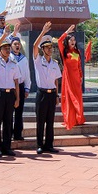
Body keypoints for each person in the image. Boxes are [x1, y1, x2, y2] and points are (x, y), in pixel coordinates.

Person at [0, 23, 20, 158]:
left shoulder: (13, 64)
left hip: (10, 95)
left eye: (9, 48)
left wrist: (17, 98)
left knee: (8, 121)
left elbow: (16, 82)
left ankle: (7, 147)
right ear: (0, 50)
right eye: (5, 48)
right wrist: (4, 36)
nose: (7, 50)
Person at [33, 21, 62, 153]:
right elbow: (34, 46)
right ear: (43, 49)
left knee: (50, 121)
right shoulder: (38, 60)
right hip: (42, 94)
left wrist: (57, 95)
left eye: (51, 47)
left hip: (51, 95)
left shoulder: (55, 64)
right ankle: (40, 145)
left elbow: (56, 80)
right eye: (47, 47)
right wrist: (43, 32)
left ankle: (49, 145)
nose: (50, 49)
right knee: (40, 121)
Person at [59, 24, 85, 129]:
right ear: (67, 41)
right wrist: (66, 32)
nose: (73, 42)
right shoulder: (64, 51)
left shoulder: (77, 52)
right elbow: (59, 41)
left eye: (74, 40)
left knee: (77, 98)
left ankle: (79, 118)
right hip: (68, 78)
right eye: (71, 40)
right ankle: (70, 119)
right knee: (69, 98)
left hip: (76, 78)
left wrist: (81, 76)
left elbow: (79, 65)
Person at [10, 33, 30, 141]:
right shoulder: (9, 57)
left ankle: (18, 133)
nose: (17, 46)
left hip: (21, 86)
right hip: (10, 87)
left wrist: (27, 88)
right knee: (9, 112)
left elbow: (27, 74)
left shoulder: (24, 59)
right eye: (15, 44)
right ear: (11, 46)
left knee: (19, 111)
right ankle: (9, 133)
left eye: (18, 44)